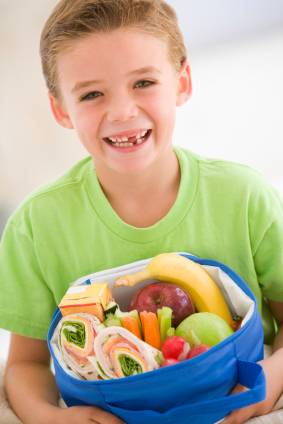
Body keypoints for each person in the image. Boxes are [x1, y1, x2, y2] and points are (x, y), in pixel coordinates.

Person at [0, 1, 283, 423]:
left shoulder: (245, 197)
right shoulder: (35, 228)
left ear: (182, 82)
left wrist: (261, 393)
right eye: (92, 93)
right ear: (61, 109)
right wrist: (53, 418)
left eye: (144, 82)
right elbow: (25, 364)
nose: (122, 112)